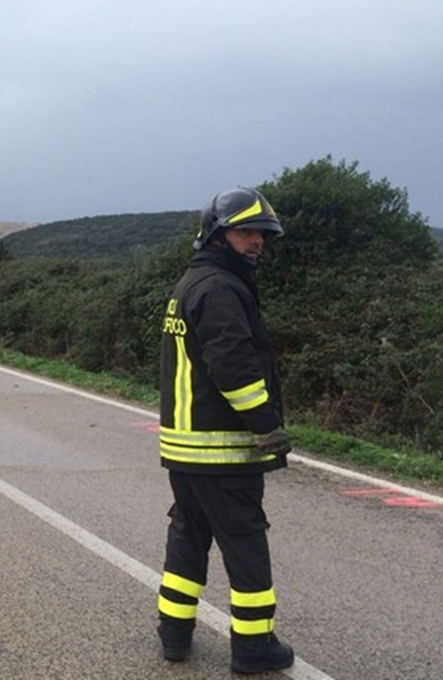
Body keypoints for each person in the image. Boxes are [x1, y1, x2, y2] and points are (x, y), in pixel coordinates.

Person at [155, 187, 295, 674]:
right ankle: (255, 648)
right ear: (217, 235)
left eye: (261, 233)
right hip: (223, 449)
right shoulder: (220, 288)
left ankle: (174, 633)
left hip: (185, 447)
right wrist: (266, 426)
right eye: (245, 232)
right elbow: (233, 366)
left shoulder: (192, 283)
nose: (256, 241)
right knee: (245, 542)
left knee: (188, 536)